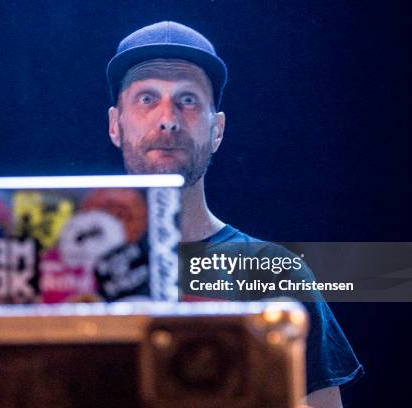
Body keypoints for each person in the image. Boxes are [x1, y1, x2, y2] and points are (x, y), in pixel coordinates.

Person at [106, 21, 363, 407]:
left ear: (218, 130)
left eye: (188, 99)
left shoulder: (272, 271)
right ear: (115, 124)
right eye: (146, 98)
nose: (168, 118)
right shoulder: (67, 273)